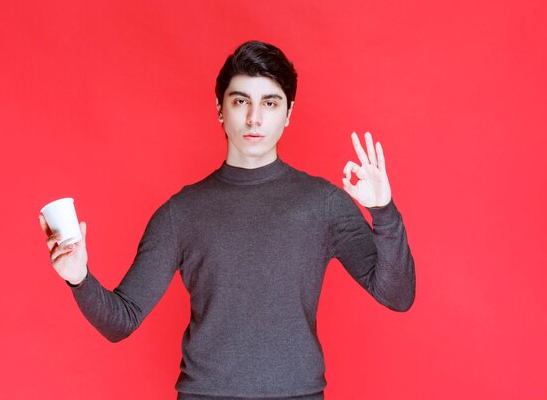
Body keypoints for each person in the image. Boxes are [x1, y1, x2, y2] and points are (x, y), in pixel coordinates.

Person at [39, 40, 416, 400]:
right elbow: (121, 321)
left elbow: (397, 296)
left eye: (270, 102)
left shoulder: (323, 204)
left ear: (289, 113)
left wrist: (384, 211)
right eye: (241, 101)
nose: (254, 117)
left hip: (298, 395)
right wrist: (79, 278)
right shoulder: (180, 213)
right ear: (220, 109)